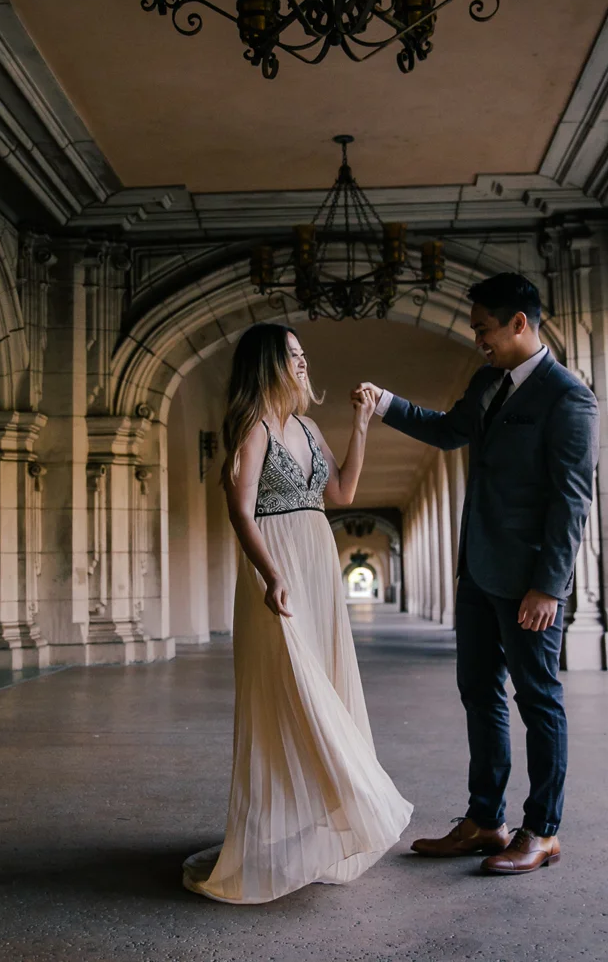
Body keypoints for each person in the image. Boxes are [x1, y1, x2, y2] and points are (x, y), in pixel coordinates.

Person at [355, 273, 598, 875]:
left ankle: (541, 830)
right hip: (478, 573)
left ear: (520, 323)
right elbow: (448, 431)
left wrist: (550, 585)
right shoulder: (489, 381)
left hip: (529, 583)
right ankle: (485, 821)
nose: (477, 339)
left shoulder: (568, 397)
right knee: (479, 693)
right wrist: (386, 404)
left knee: (539, 700)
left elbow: (571, 500)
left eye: (484, 328)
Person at [183, 323, 413, 904]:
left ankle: (319, 827)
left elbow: (341, 494)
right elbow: (240, 511)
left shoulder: (309, 428)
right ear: (268, 364)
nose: (304, 362)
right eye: (293, 354)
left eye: (305, 353)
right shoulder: (253, 426)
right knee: (291, 688)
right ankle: (342, 802)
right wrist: (272, 574)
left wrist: (361, 426)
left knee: (327, 684)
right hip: (278, 567)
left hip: (317, 562)